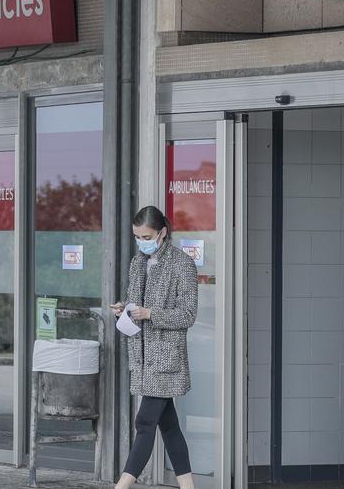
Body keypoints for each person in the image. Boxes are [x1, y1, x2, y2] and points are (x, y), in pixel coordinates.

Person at [110, 206, 198, 489]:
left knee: (145, 422)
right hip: (142, 357)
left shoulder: (182, 264)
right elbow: (134, 302)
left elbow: (188, 314)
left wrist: (151, 314)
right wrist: (123, 309)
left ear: (162, 233)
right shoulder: (137, 263)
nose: (141, 242)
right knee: (169, 426)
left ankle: (122, 485)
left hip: (166, 360)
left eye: (146, 236)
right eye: (137, 237)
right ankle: (189, 487)